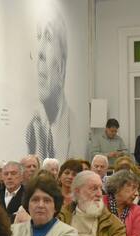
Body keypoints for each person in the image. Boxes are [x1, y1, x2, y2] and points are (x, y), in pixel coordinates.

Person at [25, 5, 83, 161]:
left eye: (48, 38)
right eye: (38, 37)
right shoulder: (33, 128)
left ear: (62, 66)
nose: (40, 53)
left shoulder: (74, 134)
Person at [105, 170, 140, 236]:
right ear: (118, 186)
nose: (137, 194)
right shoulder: (101, 203)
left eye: (137, 189)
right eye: (133, 188)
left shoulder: (137, 210)